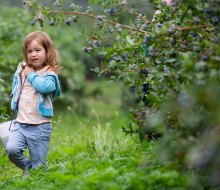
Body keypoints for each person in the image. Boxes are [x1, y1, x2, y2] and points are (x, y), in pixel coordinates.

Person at [6, 31, 61, 175]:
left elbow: (45, 87)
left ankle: (36, 176)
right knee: (12, 150)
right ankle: (30, 169)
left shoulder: (49, 73)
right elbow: (16, 81)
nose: (33, 54)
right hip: (21, 123)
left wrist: (31, 74)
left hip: (40, 126)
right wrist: (14, 94)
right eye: (29, 51)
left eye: (38, 50)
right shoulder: (23, 67)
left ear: (47, 51)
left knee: (39, 164)